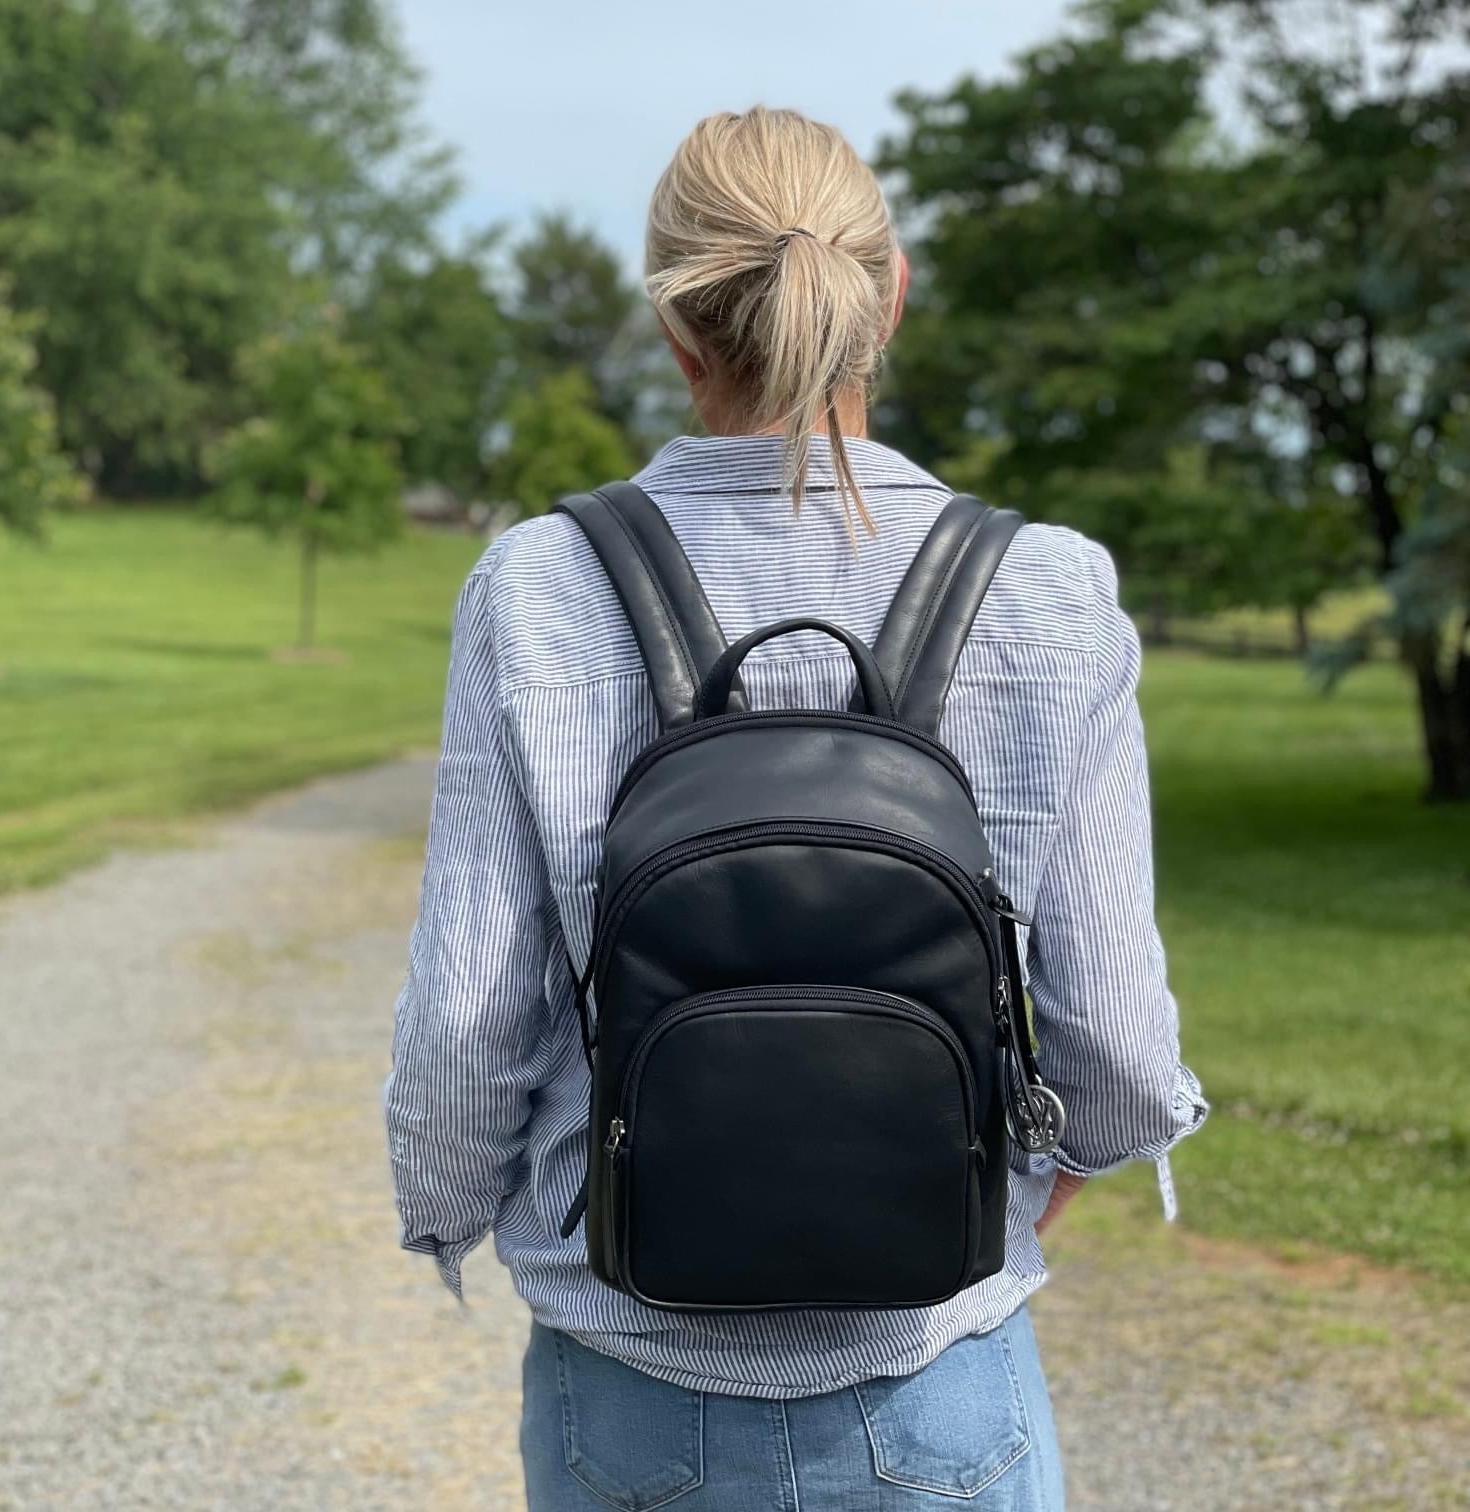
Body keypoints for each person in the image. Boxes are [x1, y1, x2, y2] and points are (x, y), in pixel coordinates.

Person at [384, 105, 1207, 1511]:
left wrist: (454, 1220)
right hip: (937, 1382)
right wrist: (1022, 1187)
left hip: (625, 1384)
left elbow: (467, 1029)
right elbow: (1119, 1059)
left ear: (676, 329)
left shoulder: (535, 588)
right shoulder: (1049, 591)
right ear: (891, 295)